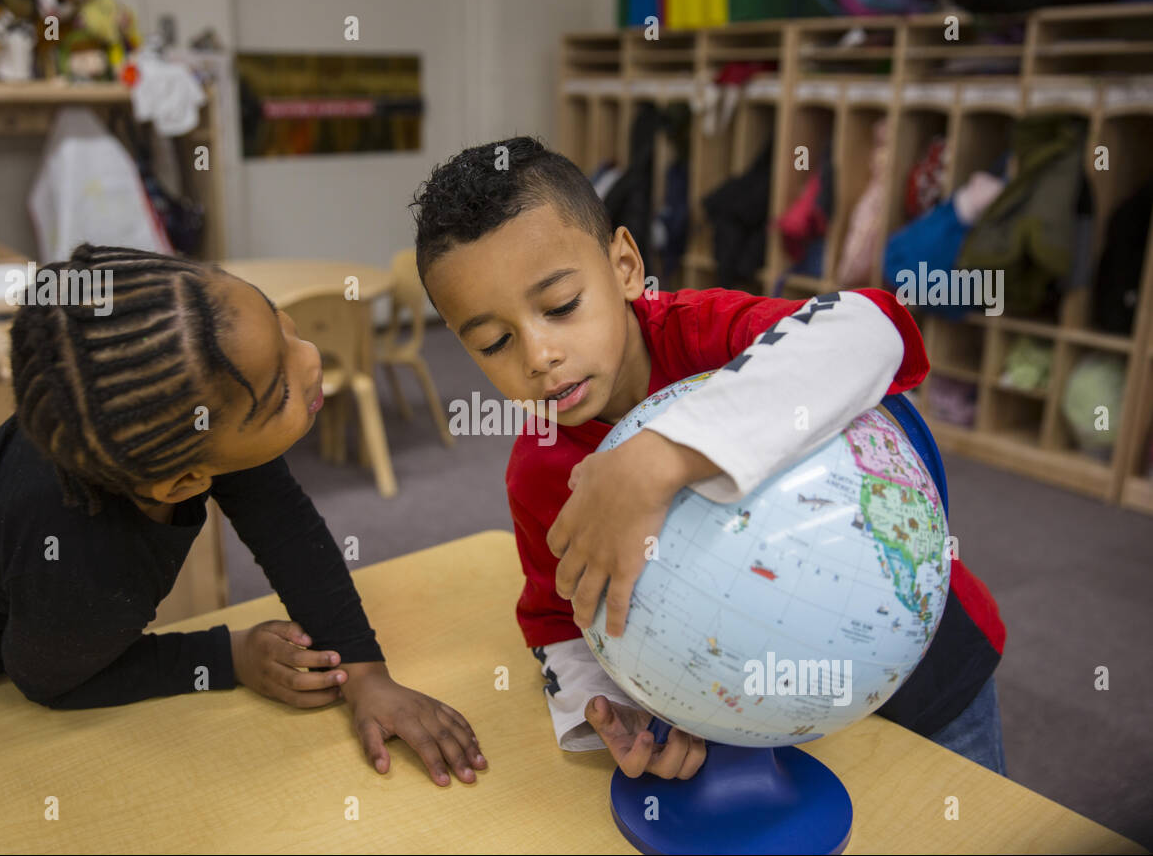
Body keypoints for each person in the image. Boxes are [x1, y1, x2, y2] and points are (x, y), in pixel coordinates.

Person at [409, 137, 1007, 779]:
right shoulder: (539, 471)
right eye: (495, 342)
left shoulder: (707, 333)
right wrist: (608, 711)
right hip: (757, 718)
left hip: (924, 662)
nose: (537, 355)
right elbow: (558, 617)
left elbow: (869, 330)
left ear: (625, 266)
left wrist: (662, 454)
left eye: (560, 307)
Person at [0, 243, 487, 788]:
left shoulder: (177, 413)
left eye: (278, 319)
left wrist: (366, 671)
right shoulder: (89, 565)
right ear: (183, 480)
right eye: (282, 390)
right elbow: (52, 680)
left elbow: (283, 524)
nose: (311, 355)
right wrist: (228, 656)